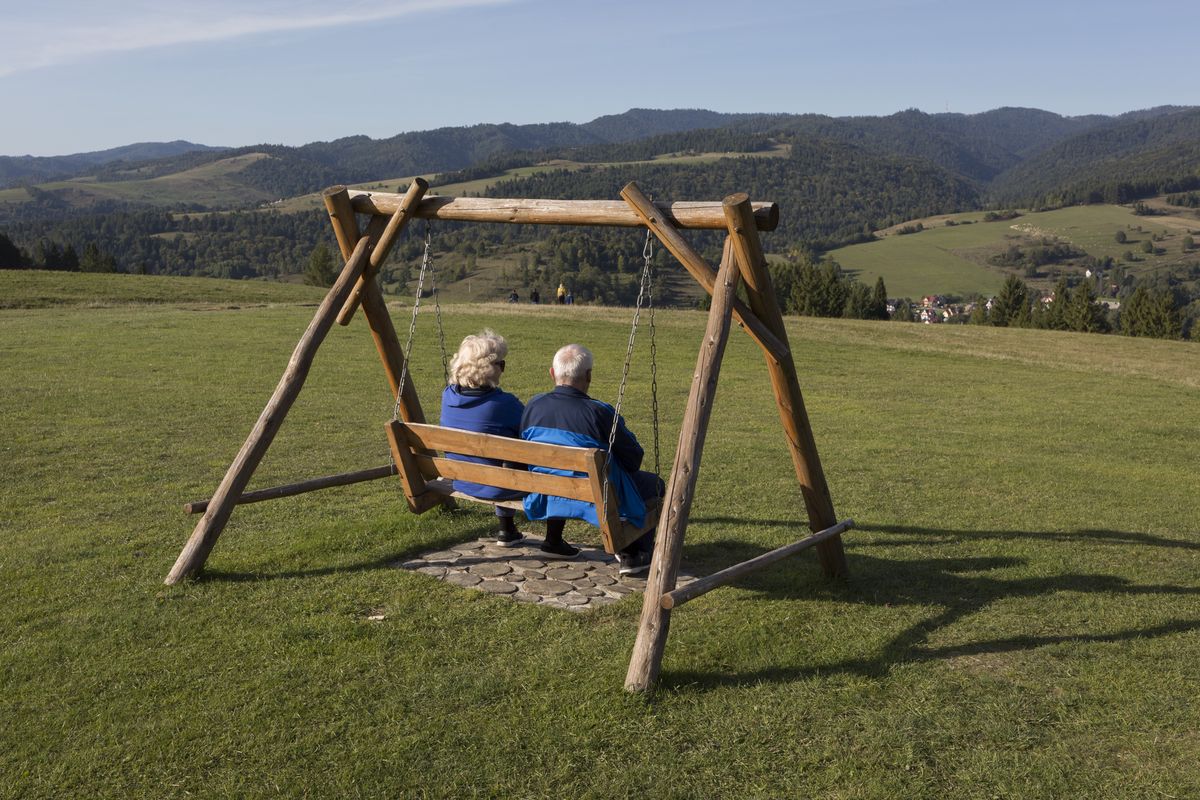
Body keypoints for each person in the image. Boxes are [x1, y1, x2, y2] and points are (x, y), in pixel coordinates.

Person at [520, 344, 662, 574]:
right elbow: (633, 459)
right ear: (588, 376)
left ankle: (553, 540)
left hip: (547, 487)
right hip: (595, 492)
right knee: (654, 484)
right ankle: (633, 554)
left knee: (559, 471)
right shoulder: (599, 412)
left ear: (552, 373)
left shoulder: (533, 406)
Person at [439, 330, 526, 547]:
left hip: (463, 480)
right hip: (497, 486)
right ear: (489, 368)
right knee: (518, 462)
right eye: (501, 364)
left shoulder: (447, 397)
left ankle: (507, 529)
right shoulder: (505, 404)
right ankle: (552, 537)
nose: (503, 369)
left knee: (500, 459)